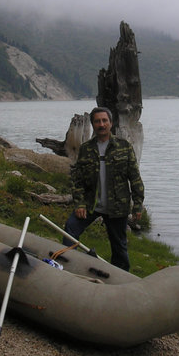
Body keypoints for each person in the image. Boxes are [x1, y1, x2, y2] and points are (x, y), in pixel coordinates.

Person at [63, 106, 144, 271]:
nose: (101, 124)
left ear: (111, 123)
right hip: (91, 204)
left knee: (119, 246)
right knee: (70, 229)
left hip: (117, 207)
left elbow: (135, 177)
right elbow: (77, 180)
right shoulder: (86, 149)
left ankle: (121, 279)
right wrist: (79, 204)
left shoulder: (124, 147)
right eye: (97, 121)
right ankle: (69, 265)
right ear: (93, 124)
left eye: (104, 120)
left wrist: (137, 204)